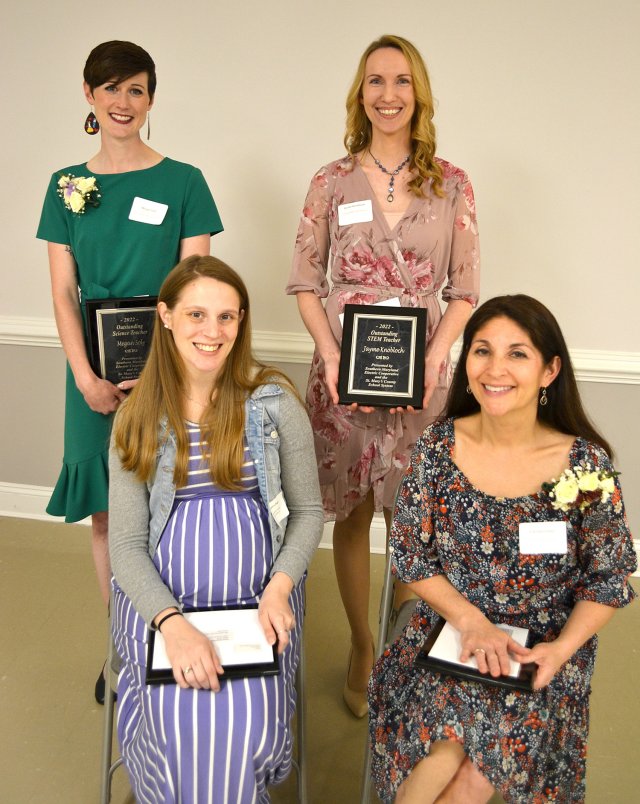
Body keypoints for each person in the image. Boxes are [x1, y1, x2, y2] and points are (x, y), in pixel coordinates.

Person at [368, 295, 637, 803]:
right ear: (466, 362)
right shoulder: (438, 448)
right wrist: (471, 620)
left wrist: (560, 650)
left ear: (549, 370)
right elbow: (410, 557)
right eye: (482, 350)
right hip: (450, 633)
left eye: (517, 354)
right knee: (440, 751)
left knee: (477, 772)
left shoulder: (583, 463)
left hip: (542, 648)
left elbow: (607, 576)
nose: (496, 369)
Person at [285, 34, 480, 716]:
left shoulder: (451, 182)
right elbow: (306, 282)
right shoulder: (330, 181)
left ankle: (400, 645)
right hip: (345, 370)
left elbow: (463, 291)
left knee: (410, 518)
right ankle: (364, 645)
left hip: (419, 373)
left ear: (418, 94)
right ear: (359, 94)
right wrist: (332, 354)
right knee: (354, 512)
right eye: (375, 81)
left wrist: (436, 357)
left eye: (401, 81)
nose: (388, 94)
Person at [35, 40, 222, 702]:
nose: (123, 102)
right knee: (110, 518)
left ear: (151, 98)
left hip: (169, 369)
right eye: (110, 88)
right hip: (90, 372)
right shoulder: (65, 185)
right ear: (89, 96)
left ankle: (173, 637)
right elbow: (62, 292)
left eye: (136, 89)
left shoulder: (184, 181)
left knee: (170, 507)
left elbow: (197, 286)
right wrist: (84, 374)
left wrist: (166, 370)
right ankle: (123, 643)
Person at [108, 255, 323, 803]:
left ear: (242, 322)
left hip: (259, 604)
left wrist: (279, 588)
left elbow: (307, 513)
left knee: (244, 728)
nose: (213, 331)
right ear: (166, 316)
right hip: (163, 606)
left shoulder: (274, 402)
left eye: (227, 317)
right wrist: (172, 625)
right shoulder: (135, 417)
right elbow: (128, 547)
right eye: (197, 314)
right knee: (177, 725)